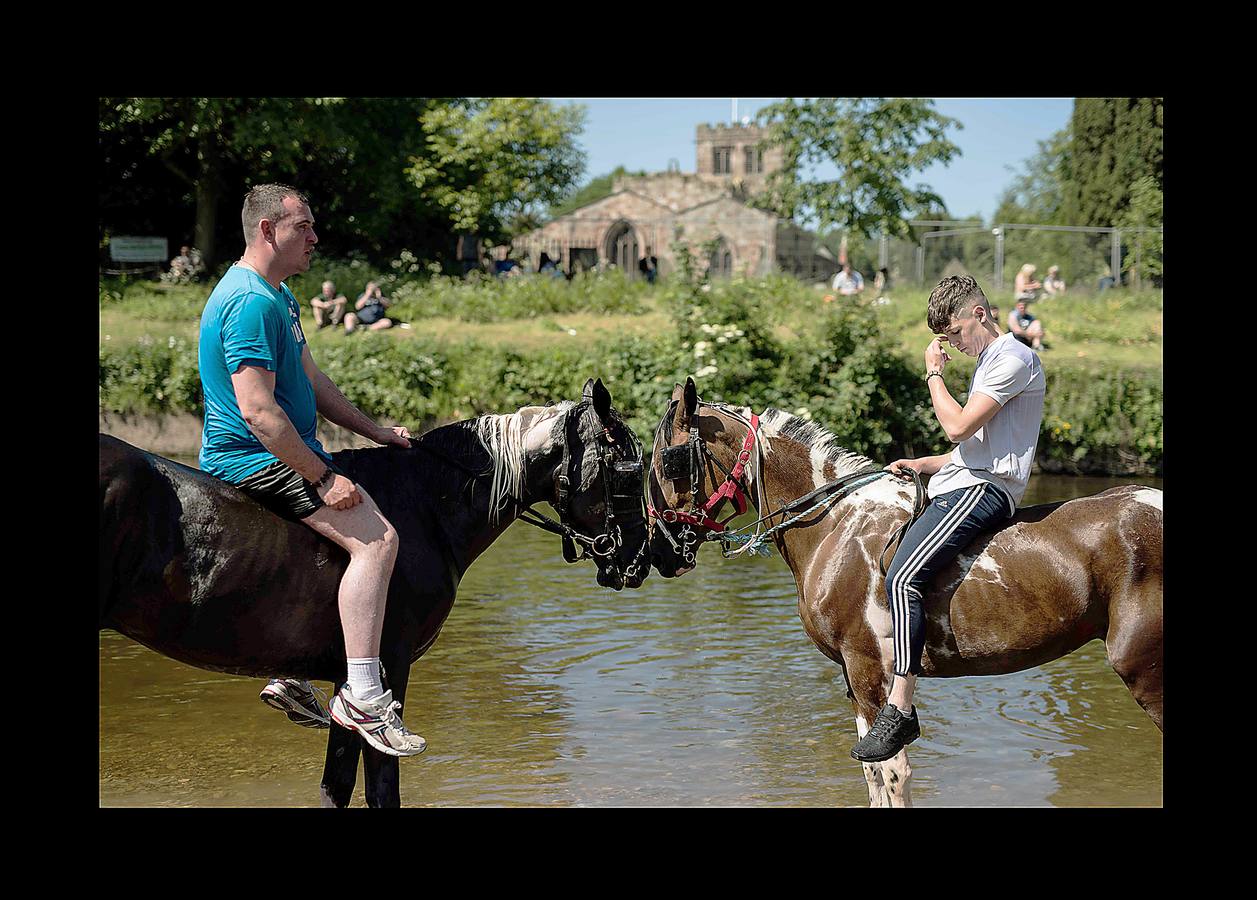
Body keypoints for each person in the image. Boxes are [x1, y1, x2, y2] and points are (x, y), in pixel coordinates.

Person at [197, 183, 425, 756]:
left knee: (333, 546)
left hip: (277, 448)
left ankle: (293, 667)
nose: (316, 238)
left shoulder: (278, 296)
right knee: (377, 541)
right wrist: (324, 477)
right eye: (305, 226)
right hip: (249, 457)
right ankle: (365, 698)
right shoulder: (249, 300)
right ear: (269, 230)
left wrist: (375, 433)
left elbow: (313, 382)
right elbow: (258, 413)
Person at [849, 274, 1045, 764]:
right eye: (947, 341)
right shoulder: (988, 363)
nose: (953, 346)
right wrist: (926, 464)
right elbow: (975, 445)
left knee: (903, 576)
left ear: (979, 314)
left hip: (985, 490)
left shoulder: (1013, 357)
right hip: (964, 478)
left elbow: (959, 427)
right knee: (886, 555)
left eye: (955, 333)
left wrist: (933, 375)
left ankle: (901, 708)